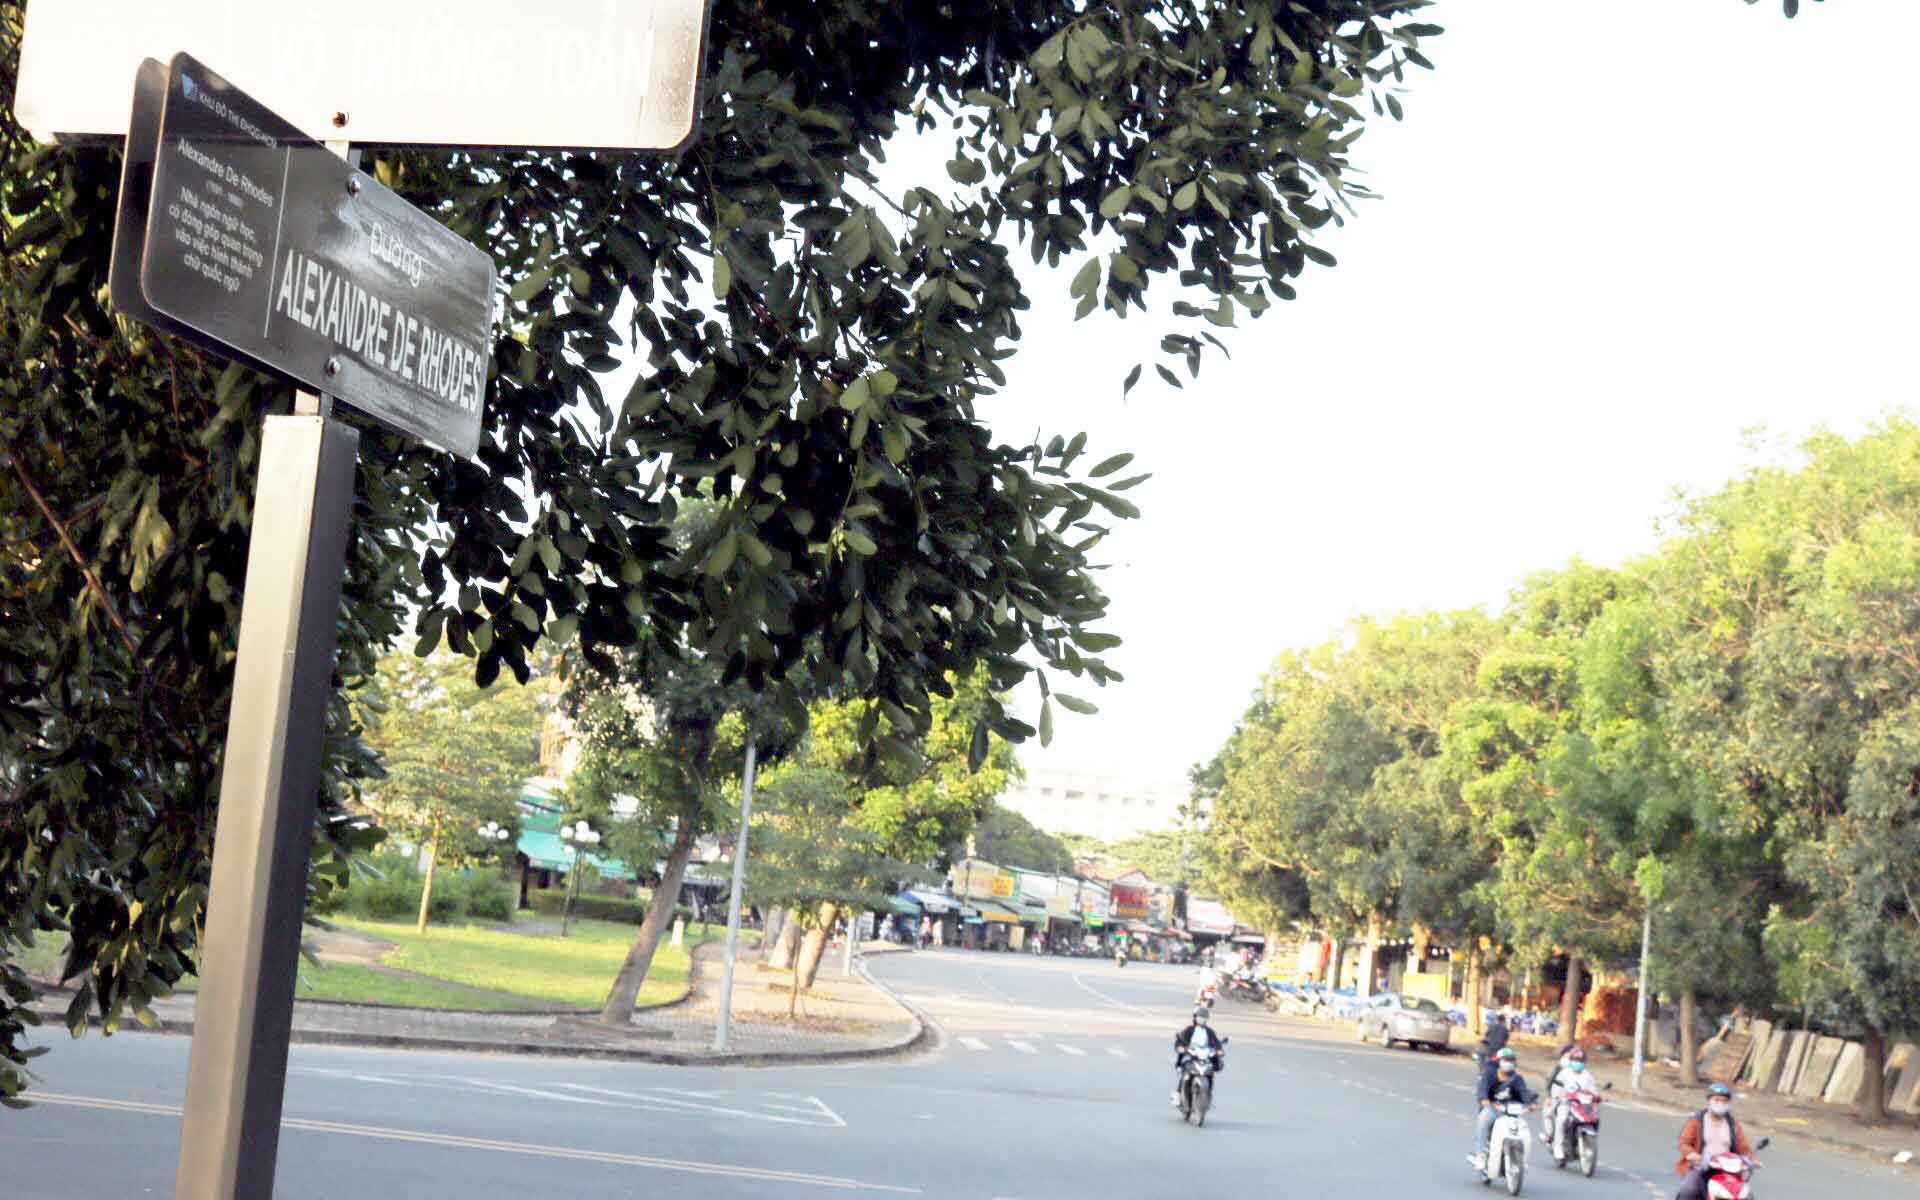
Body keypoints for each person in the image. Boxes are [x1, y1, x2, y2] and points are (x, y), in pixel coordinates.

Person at [1674, 1083, 1754, 1200]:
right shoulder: (1696, 1121)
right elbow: (1684, 1143)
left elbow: (1743, 1148)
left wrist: (1750, 1159)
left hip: (1728, 1169)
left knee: (1746, 1194)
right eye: (1716, 1100)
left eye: (1724, 1101)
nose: (1720, 1103)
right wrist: (1693, 1154)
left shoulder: (1733, 1125)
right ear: (1709, 1101)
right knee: (1688, 1189)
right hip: (1702, 1166)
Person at [1471, 1047, 1537, 1173]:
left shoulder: (1517, 1079)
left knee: (1522, 1128)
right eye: (1505, 1060)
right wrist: (1485, 1100)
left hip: (1511, 1112)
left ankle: (1521, 1159)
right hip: (1493, 1109)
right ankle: (1480, 1155)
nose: (1508, 1063)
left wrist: (1531, 1104)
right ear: (1499, 1061)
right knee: (1484, 1119)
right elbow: (1482, 1091)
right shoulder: (1489, 1075)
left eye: (1511, 1060)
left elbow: (1524, 1094)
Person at [1540, 1045, 1602, 1147]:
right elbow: (1553, 1085)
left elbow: (1592, 1088)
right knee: (1559, 1117)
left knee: (1594, 1116)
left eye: (1580, 1060)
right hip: (1564, 1101)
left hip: (1581, 1103)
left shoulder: (1587, 1074)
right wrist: (1552, 1096)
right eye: (1573, 1058)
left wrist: (1597, 1096)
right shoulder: (1562, 1072)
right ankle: (1554, 1140)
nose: (1577, 1062)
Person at [1172, 1005, 1226, 1107]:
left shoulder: (1209, 1032)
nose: (1202, 1019)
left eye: (1204, 1017)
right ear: (1195, 1017)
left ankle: (1207, 1097)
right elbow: (1180, 1041)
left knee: (1210, 1074)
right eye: (1200, 1017)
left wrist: (1219, 1050)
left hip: (1204, 1057)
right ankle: (1179, 1094)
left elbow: (1216, 1043)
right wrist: (1180, 1047)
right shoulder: (1189, 1030)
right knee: (1185, 1073)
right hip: (1191, 1056)